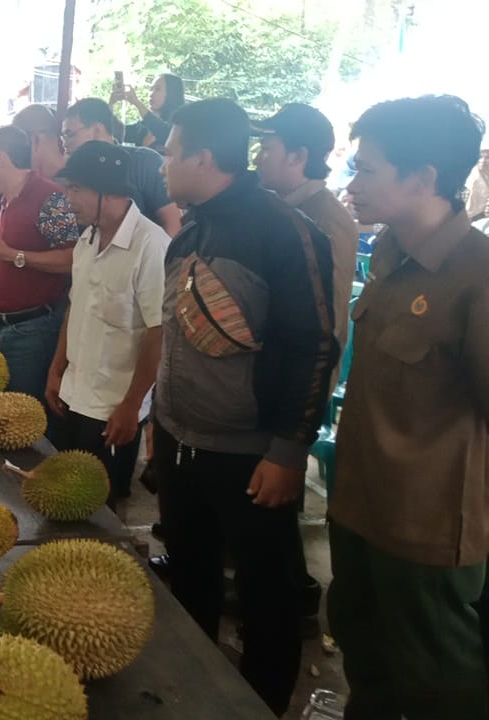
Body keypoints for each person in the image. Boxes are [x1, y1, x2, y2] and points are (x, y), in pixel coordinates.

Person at [153, 98, 337, 715]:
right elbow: (175, 335)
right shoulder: (194, 228)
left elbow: (315, 344)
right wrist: (162, 421)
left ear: (204, 158)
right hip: (182, 444)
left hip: (250, 457)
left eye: (173, 151)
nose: (164, 162)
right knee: (192, 582)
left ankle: (260, 705)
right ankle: (197, 694)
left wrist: (289, 452)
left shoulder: (286, 231)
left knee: (266, 600)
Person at [329, 95, 489, 720]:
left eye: (366, 169)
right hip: (361, 504)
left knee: (437, 685)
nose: (353, 183)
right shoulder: (391, 252)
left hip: (426, 527)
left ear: (423, 178)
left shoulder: (475, 275)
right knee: (367, 666)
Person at [46, 141, 169, 503]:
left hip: (113, 408)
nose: (68, 199)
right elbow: (75, 308)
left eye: (75, 189)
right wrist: (57, 370)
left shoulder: (151, 246)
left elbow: (158, 332)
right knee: (64, 496)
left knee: (102, 510)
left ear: (106, 190)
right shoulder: (87, 238)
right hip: (73, 394)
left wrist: (132, 405)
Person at [0, 126, 80, 413]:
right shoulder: (6, 199)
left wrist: (10, 255)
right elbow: (12, 253)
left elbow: (72, 259)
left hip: (32, 331)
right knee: (0, 416)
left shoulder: (49, 197)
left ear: (0, 159)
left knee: (22, 418)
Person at [253, 102, 358, 389]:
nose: (257, 159)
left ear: (297, 156)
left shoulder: (324, 221)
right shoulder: (278, 207)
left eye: (266, 149)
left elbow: (324, 329)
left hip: (290, 389)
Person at [62, 98, 182, 236]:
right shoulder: (73, 174)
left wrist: (157, 256)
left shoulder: (143, 162)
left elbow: (173, 223)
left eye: (69, 135)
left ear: (96, 129)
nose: (65, 144)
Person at [112, 73, 185, 152]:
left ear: (171, 94)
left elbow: (163, 131)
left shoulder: (179, 125)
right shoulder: (143, 126)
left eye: (158, 89)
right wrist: (111, 103)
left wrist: (137, 103)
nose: (151, 94)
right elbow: (116, 132)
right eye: (151, 89)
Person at [467, 146, 489, 220]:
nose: (483, 161)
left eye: (487, 157)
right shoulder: (468, 176)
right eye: (480, 157)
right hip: (464, 216)